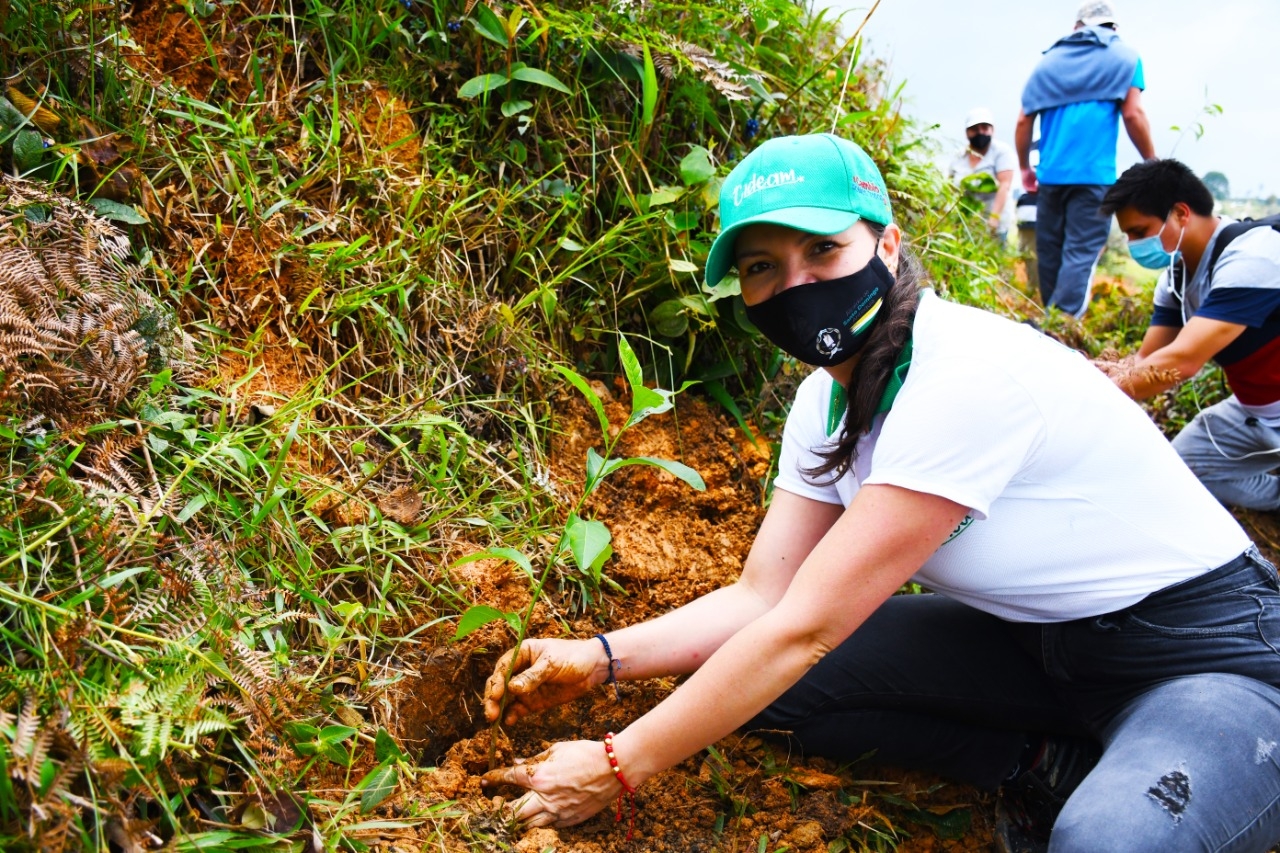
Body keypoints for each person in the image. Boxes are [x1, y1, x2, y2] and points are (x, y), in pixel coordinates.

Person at [479, 133, 1280, 853]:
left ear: (887, 245)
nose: (796, 283)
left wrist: (617, 765)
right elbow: (765, 598)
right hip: (1034, 643)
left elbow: (806, 627)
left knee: (1112, 841)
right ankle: (1047, 761)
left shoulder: (963, 377)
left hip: (1202, 657)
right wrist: (601, 658)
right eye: (761, 267)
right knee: (750, 685)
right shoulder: (823, 402)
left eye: (822, 250)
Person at [1096, 158, 1280, 511]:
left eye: (1140, 231)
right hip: (1253, 412)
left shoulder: (1252, 258)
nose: (1134, 244)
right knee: (1182, 471)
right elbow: (1147, 358)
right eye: (1128, 235)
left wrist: (1090, 393)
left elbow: (1181, 361)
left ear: (1181, 213)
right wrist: (1093, 371)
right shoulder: (1176, 279)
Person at [1015, 1, 1156, 318]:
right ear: (1113, 28)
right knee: (1080, 253)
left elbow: (1024, 121)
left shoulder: (1048, 63)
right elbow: (1133, 114)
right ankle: (1060, 325)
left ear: (1076, 28)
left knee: (1050, 252)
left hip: (1050, 177)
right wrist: (1152, 162)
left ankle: (1052, 320)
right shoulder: (1125, 57)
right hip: (1094, 178)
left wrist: (1025, 167)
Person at [948, 107, 1017, 241]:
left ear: (992, 130)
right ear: (967, 133)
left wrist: (994, 218)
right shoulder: (959, 156)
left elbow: (1004, 184)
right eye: (975, 129)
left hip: (994, 221)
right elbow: (950, 186)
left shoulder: (1001, 152)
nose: (980, 132)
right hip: (966, 222)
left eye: (984, 128)